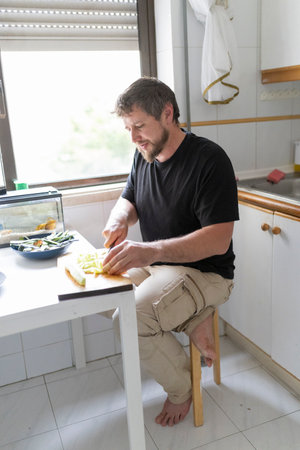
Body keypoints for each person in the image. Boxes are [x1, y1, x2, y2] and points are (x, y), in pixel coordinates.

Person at [102, 77, 239, 427]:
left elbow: (218, 241)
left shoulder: (210, 160)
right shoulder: (144, 154)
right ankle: (196, 320)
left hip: (205, 272)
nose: (133, 137)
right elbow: (129, 199)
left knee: (130, 319)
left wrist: (147, 252)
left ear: (167, 113)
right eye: (128, 128)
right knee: (96, 293)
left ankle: (183, 389)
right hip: (160, 267)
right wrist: (119, 219)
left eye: (139, 126)